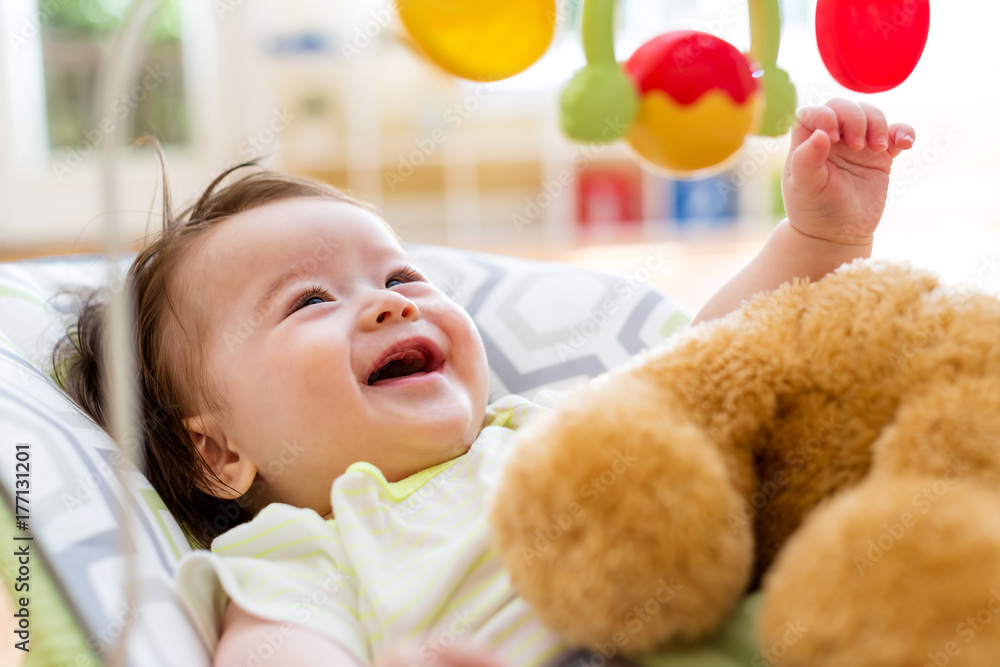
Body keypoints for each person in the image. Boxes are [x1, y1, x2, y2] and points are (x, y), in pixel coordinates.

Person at [54, 99, 914, 667]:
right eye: (309, 300)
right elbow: (279, 647)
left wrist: (819, 241)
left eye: (400, 280)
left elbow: (710, 361)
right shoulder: (310, 545)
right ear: (218, 452)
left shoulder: (542, 422)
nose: (388, 309)